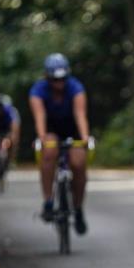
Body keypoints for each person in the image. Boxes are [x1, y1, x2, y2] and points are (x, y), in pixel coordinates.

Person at [28, 53, 91, 235]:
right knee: (48, 154)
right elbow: (39, 116)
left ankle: (78, 208)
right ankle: (48, 201)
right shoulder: (38, 90)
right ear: (47, 77)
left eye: (62, 79)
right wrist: (41, 136)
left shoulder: (76, 87)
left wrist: (85, 137)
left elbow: (80, 115)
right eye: (55, 80)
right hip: (51, 130)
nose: (59, 84)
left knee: (79, 164)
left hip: (72, 129)